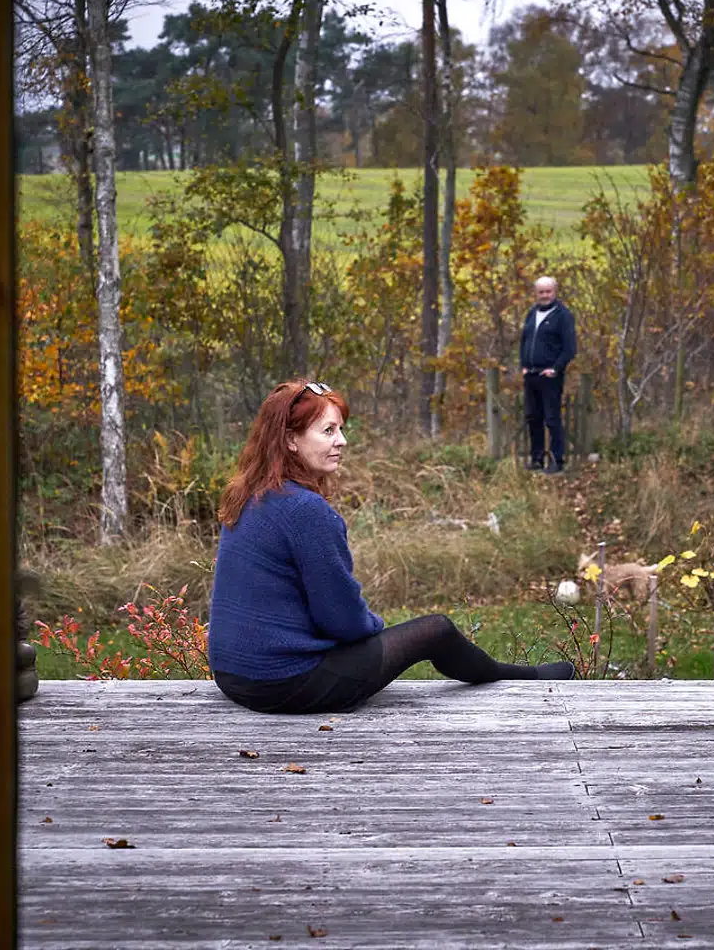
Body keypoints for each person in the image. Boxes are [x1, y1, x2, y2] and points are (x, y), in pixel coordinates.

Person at [208, 379, 576, 714]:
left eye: (341, 429)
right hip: (283, 683)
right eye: (328, 431)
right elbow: (344, 622)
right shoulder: (306, 511)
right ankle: (514, 674)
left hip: (232, 674)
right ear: (291, 439)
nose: (342, 441)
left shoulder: (248, 495)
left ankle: (508, 672)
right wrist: (375, 627)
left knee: (407, 633)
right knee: (436, 630)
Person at [518, 275, 577, 474]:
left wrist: (556, 368)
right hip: (531, 375)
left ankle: (556, 460)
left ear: (555, 291)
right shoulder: (531, 313)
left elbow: (570, 348)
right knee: (533, 418)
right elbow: (524, 341)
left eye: (548, 291)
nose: (544, 295)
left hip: (550, 376)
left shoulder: (563, 315)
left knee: (552, 419)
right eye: (541, 292)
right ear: (536, 294)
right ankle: (536, 459)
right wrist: (524, 366)